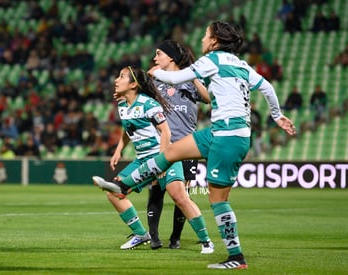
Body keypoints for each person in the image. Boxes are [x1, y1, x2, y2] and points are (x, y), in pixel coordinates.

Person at [93, 21, 296, 270]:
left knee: (217, 199)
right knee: (170, 152)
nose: (202, 39)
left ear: (214, 40)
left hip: (229, 137)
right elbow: (267, 86)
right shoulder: (240, 64)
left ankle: (236, 257)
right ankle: (123, 185)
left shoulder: (213, 59)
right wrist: (276, 114)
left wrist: (153, 74)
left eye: (205, 35)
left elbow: (178, 77)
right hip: (219, 132)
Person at [92, 66, 214, 254]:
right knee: (114, 193)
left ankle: (206, 241)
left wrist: (162, 160)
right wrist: (118, 151)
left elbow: (166, 131)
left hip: (164, 156)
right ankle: (141, 234)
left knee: (179, 196)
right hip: (142, 160)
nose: (116, 79)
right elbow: (129, 129)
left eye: (121, 76)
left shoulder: (149, 104)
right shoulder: (122, 105)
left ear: (133, 84)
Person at [146, 39, 210, 250]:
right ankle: (154, 237)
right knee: (156, 189)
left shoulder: (189, 79)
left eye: (159, 54)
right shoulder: (155, 80)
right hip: (161, 145)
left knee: (182, 194)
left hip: (186, 146)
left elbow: (208, 98)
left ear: (170, 57)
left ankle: (175, 237)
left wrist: (191, 76)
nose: (155, 58)